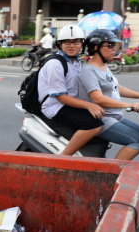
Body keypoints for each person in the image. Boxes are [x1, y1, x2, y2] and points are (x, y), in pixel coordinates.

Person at [78, 29, 139, 160]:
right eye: (109, 45)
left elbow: (117, 88)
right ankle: (112, 172)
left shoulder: (103, 67)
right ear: (95, 47)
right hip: (102, 119)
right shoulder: (88, 70)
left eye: (113, 45)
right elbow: (97, 98)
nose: (113, 49)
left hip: (115, 116)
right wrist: (128, 105)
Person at [38, 24, 104, 156]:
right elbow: (60, 97)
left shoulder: (76, 62)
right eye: (67, 42)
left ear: (82, 44)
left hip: (69, 102)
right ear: (60, 44)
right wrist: (89, 105)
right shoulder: (55, 64)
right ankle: (64, 158)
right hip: (55, 106)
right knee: (94, 124)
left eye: (76, 42)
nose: (72, 46)